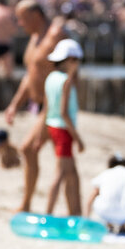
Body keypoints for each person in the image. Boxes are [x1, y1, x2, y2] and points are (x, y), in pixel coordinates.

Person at [5, 0, 65, 212]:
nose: (20, 24)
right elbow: (31, 76)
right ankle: (29, 203)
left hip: (55, 105)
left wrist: (53, 109)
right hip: (38, 106)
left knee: (30, 149)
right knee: (45, 154)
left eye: (22, 18)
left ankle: (29, 204)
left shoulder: (56, 35)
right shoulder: (34, 38)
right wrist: (14, 105)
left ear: (37, 16)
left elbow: (67, 73)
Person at [40, 38, 85, 216]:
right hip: (63, 130)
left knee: (72, 174)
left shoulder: (50, 78)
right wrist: (78, 138)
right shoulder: (66, 81)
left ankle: (76, 214)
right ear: (70, 60)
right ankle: (48, 214)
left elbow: (46, 108)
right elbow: (64, 113)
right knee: (59, 175)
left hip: (53, 127)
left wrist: (40, 136)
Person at [86, 153, 125, 234]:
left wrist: (86, 219)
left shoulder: (106, 173)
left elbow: (92, 197)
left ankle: (108, 225)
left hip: (103, 211)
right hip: (123, 213)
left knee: (104, 198)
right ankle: (123, 226)